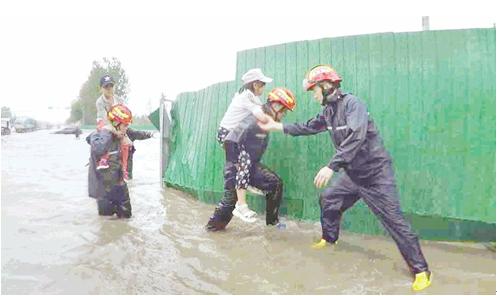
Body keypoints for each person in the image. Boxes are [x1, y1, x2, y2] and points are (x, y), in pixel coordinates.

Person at [258, 65, 432, 291]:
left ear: (325, 86)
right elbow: (308, 127)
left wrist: (332, 166)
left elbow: (357, 135)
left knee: (394, 221)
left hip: (375, 175)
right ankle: (330, 239)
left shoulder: (353, 104)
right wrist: (277, 126)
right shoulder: (328, 111)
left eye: (314, 91)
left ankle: (421, 271)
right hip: (353, 175)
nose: (313, 96)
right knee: (329, 200)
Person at [206, 87, 296, 231]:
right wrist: (237, 166)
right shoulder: (253, 119)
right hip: (237, 166)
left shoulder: (264, 119)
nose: (284, 114)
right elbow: (230, 141)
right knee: (230, 202)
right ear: (276, 106)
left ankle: (272, 226)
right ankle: (211, 231)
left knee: (275, 183)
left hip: (251, 166)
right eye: (284, 110)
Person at [217, 68, 274, 222]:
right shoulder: (245, 97)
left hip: (237, 134)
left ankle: (245, 183)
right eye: (262, 84)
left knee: (244, 161)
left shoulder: (252, 97)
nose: (263, 88)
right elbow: (260, 114)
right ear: (255, 84)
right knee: (244, 161)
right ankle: (241, 206)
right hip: (228, 134)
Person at [87, 104, 133, 218]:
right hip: (104, 191)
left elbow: (138, 135)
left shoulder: (123, 135)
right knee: (106, 224)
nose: (127, 128)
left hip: (120, 187)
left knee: (126, 220)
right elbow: (98, 148)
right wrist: (108, 131)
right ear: (116, 124)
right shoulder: (100, 135)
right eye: (125, 125)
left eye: (128, 125)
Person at [95, 74, 133, 182]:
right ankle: (103, 159)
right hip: (105, 123)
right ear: (101, 88)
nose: (109, 89)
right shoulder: (99, 102)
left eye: (111, 86)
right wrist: (116, 131)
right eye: (106, 87)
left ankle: (124, 170)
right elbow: (105, 119)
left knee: (126, 144)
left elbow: (124, 116)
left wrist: (123, 132)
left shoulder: (119, 100)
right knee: (105, 132)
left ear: (114, 87)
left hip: (118, 124)